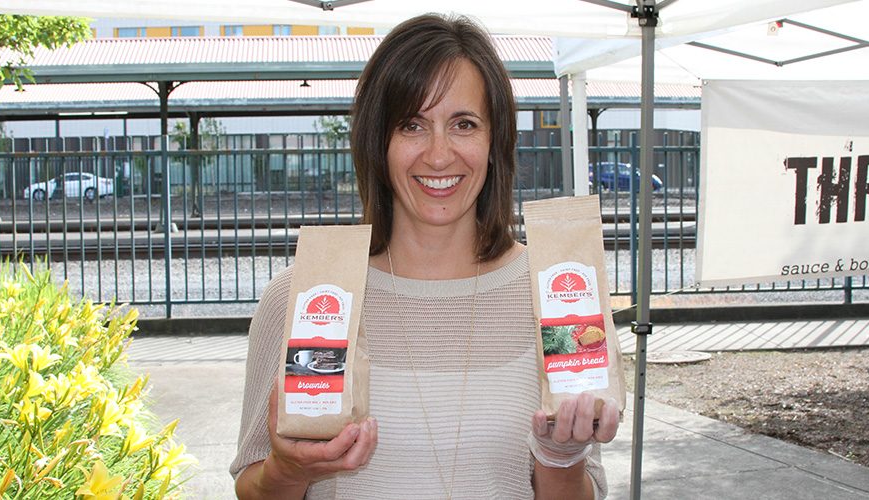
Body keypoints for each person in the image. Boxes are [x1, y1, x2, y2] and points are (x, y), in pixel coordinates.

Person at [231, 13, 619, 499]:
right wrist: (288, 471)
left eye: (464, 124)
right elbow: (254, 489)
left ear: (494, 142)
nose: (438, 155)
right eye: (412, 125)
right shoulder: (303, 298)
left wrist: (559, 457)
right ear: (379, 143)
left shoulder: (560, 297)